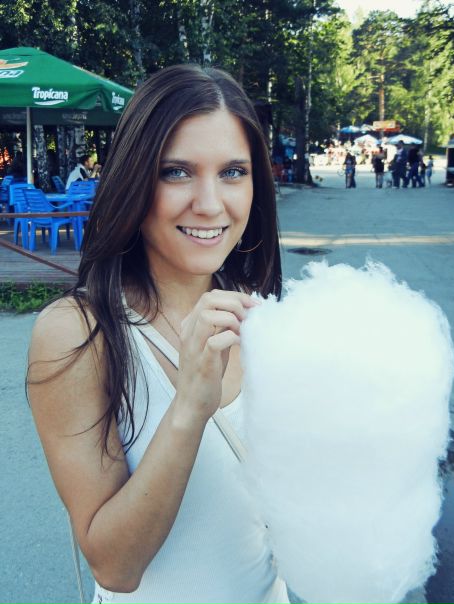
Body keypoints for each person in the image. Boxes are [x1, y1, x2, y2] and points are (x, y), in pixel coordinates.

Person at [27, 65, 285, 604]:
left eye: (232, 172)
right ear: (134, 179)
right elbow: (115, 567)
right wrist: (189, 408)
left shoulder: (259, 314)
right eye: (177, 172)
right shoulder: (78, 333)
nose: (210, 203)